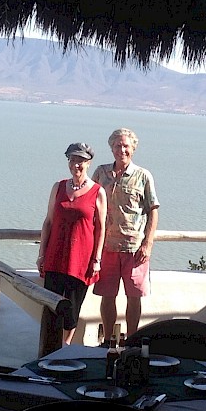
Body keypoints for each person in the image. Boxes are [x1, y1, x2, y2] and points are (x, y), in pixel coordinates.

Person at [92, 128, 160, 343]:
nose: (121, 150)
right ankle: (108, 341)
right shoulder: (101, 173)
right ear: (111, 148)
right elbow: (90, 204)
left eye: (126, 146)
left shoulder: (143, 175)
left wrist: (148, 244)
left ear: (133, 148)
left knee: (134, 297)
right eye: (117, 146)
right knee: (107, 295)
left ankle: (131, 340)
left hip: (135, 248)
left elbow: (153, 210)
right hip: (107, 247)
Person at [37, 142, 107, 346]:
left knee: (72, 308)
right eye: (72, 159)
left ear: (89, 163)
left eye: (81, 161)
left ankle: (65, 346)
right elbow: (48, 221)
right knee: (51, 304)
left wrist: (97, 259)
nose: (76, 164)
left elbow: (100, 228)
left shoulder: (97, 192)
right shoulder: (58, 187)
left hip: (81, 260)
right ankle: (49, 346)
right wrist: (42, 254)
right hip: (55, 255)